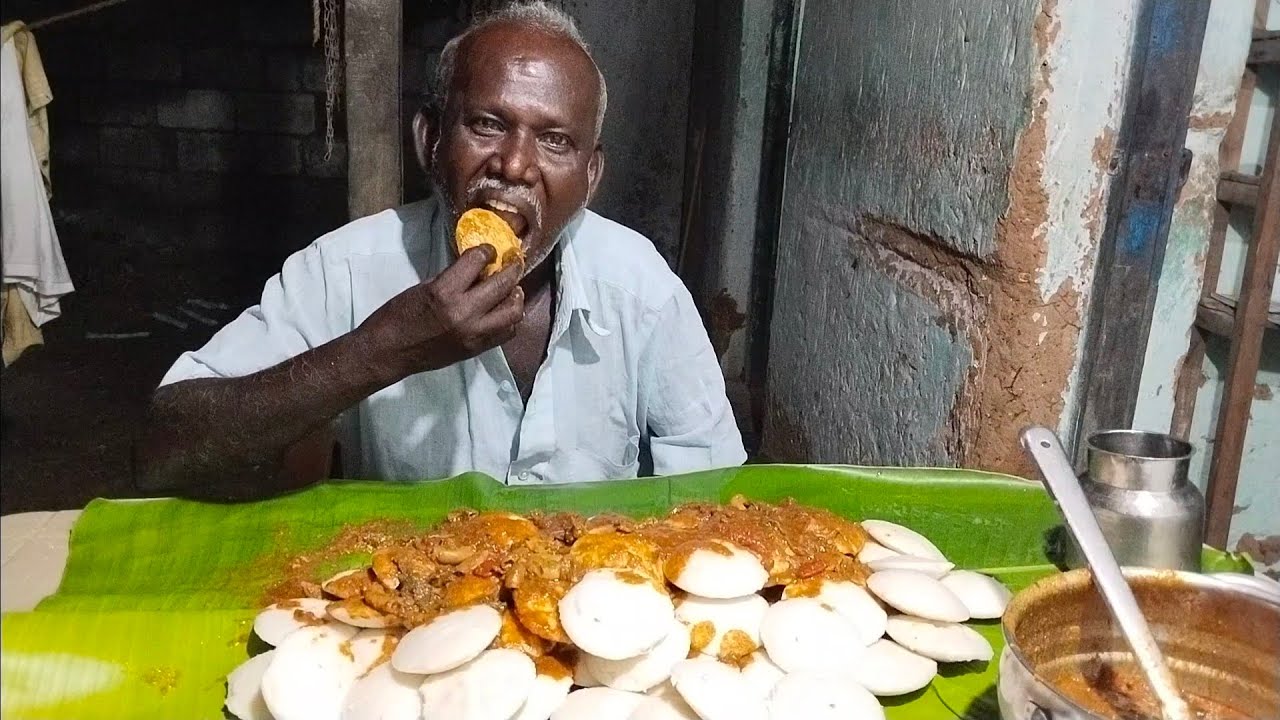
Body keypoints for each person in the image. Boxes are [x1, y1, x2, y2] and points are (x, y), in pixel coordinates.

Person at [137, 1, 745, 497]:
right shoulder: (345, 271)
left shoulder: (642, 289)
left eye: (555, 140)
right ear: (429, 141)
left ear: (590, 178)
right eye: (486, 124)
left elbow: (715, 497)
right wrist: (381, 351)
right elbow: (165, 449)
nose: (514, 164)